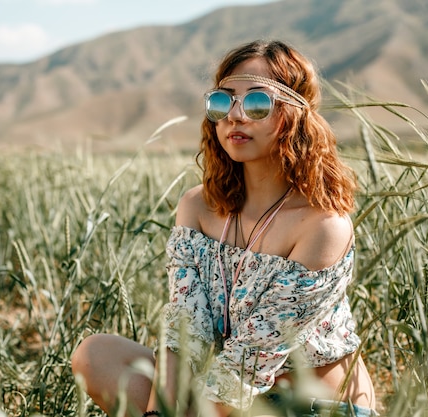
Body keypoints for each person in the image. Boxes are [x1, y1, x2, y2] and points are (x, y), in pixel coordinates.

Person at [72, 39, 377, 417]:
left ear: (294, 115)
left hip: (312, 407)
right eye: (223, 100)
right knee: (98, 355)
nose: (235, 116)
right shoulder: (197, 206)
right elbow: (186, 328)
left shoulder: (323, 224)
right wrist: (156, 413)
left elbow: (253, 358)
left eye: (257, 103)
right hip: (222, 395)